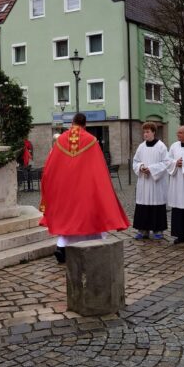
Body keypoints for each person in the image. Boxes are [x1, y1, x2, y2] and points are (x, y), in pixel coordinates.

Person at [39, 113, 129, 264]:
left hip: (66, 189)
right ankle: (94, 248)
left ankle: (62, 247)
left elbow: (49, 168)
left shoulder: (60, 140)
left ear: (72, 123)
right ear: (85, 124)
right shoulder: (91, 140)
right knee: (88, 217)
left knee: (67, 219)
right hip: (86, 188)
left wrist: (52, 186)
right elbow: (99, 169)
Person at [132, 122, 170, 240]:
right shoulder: (141, 147)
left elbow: (166, 163)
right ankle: (143, 230)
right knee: (142, 204)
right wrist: (141, 167)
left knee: (156, 204)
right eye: (144, 132)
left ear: (154, 132)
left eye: (148, 132)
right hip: (144, 181)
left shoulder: (161, 146)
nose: (145, 134)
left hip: (156, 182)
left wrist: (152, 169)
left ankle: (158, 230)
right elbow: (135, 161)